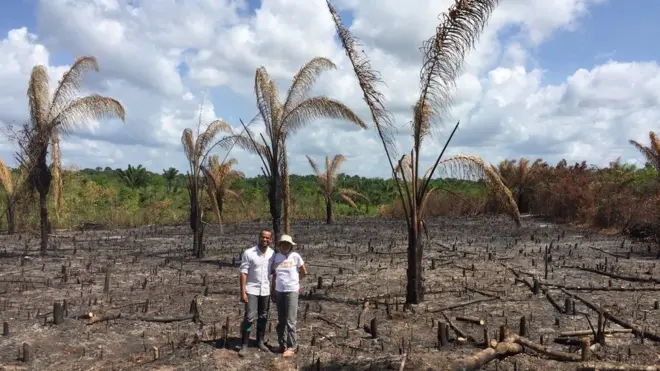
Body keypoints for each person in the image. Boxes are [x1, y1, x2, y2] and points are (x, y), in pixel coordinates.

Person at [238, 229, 275, 357]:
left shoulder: (273, 254)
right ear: (259, 237)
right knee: (250, 316)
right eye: (263, 237)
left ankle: (260, 341)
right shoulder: (249, 253)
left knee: (263, 316)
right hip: (252, 289)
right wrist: (243, 292)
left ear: (271, 239)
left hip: (265, 290)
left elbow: (274, 272)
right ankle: (244, 344)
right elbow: (243, 273)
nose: (265, 240)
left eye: (267, 238)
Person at [270, 234, 307, 357]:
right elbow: (274, 275)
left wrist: (296, 283)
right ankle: (282, 345)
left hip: (292, 291)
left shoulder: (295, 256)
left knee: (291, 321)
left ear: (290, 246)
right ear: (279, 245)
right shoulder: (276, 257)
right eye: (283, 244)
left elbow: (304, 272)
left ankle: (292, 347)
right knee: (281, 320)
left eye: (287, 244)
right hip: (279, 291)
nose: (285, 246)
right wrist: (273, 290)